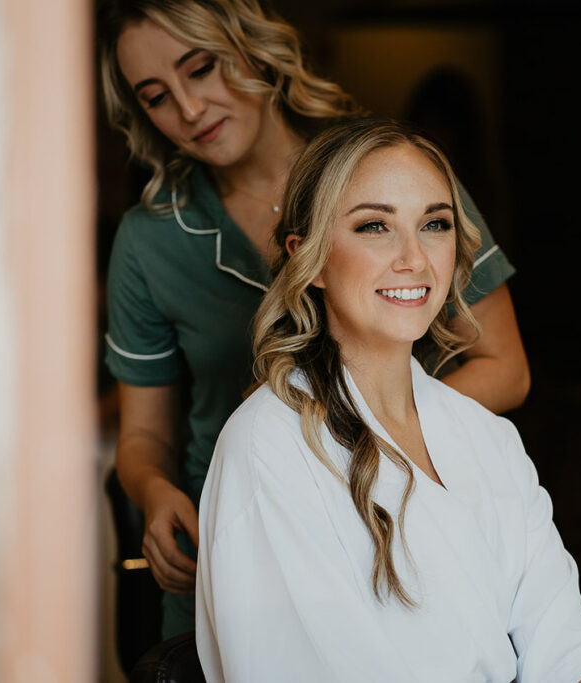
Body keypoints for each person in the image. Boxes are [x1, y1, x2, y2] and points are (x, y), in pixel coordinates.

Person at [97, 0, 530, 638]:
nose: (188, 110)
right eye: (157, 96)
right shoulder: (151, 238)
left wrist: (348, 432)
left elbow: (507, 370)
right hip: (235, 564)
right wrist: (156, 494)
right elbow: (143, 439)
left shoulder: (394, 170)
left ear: (252, 48)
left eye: (203, 68)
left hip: (409, 545)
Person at [196, 117, 581, 683]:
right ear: (312, 258)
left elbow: (565, 640)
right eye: (375, 226)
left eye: (435, 224)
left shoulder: (487, 437)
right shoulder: (268, 446)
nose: (414, 259)